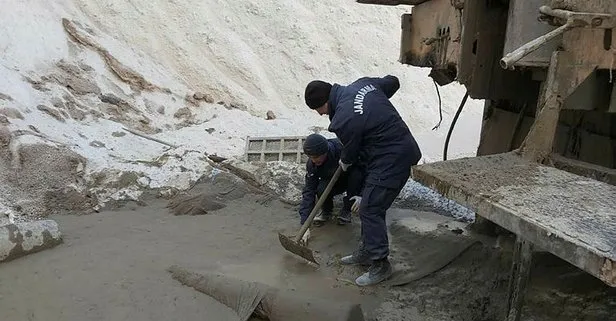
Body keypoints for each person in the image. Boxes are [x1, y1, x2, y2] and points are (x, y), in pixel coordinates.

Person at [303, 75, 422, 286]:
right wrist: (374, 102)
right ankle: (367, 252)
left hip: (392, 157)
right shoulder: (364, 84)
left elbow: (350, 153)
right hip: (392, 150)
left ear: (324, 104)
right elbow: (393, 81)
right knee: (368, 203)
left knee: (370, 208)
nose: (320, 114)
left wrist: (345, 161)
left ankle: (380, 265)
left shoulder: (342, 119)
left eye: (318, 110)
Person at [298, 133, 365, 229]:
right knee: (320, 188)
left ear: (325, 152)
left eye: (316, 157)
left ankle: (346, 209)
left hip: (351, 178)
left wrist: (362, 194)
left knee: (356, 175)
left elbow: (366, 170)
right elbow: (309, 190)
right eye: (311, 157)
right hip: (332, 180)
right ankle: (326, 210)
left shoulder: (343, 148)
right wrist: (304, 223)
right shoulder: (312, 165)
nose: (313, 160)